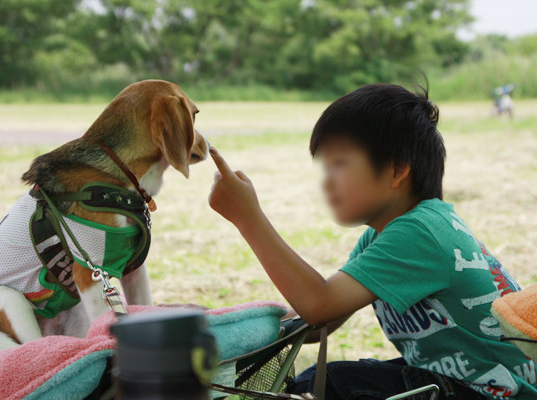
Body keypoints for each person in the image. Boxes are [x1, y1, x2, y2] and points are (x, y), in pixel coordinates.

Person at [207, 83, 537, 399]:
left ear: (395, 171)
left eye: (340, 164)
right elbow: (318, 322)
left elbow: (318, 304)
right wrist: (245, 327)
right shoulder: (383, 235)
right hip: (464, 382)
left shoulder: (420, 232)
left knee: (332, 384)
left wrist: (247, 218)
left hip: (495, 393)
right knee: (329, 380)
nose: (327, 181)